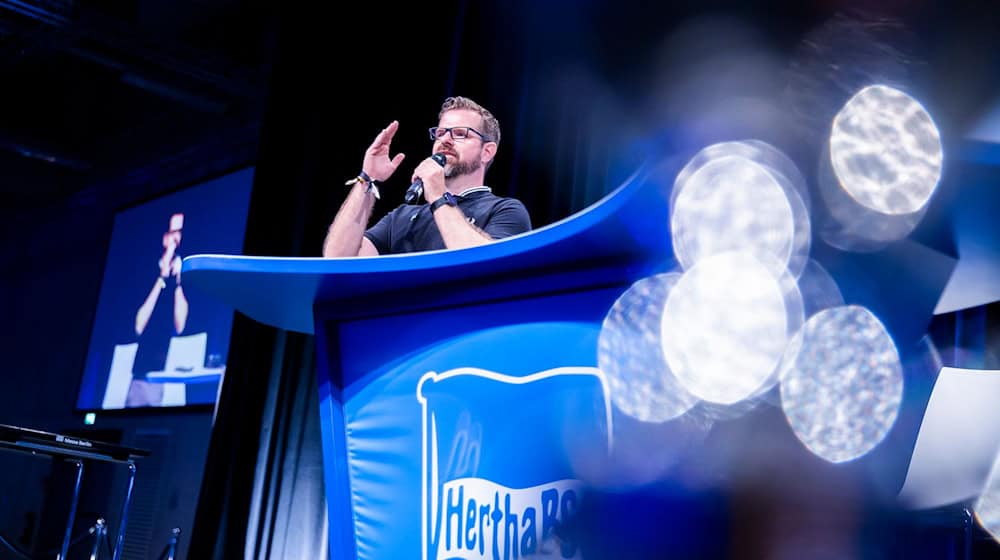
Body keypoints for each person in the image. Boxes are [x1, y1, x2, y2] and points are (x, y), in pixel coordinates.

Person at [323, 96, 531, 256]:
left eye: (460, 133)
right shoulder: (401, 217)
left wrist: (438, 194)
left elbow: (485, 263)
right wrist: (367, 179)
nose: (445, 140)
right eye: (440, 133)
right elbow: (337, 258)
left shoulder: (506, 210)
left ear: (487, 152)